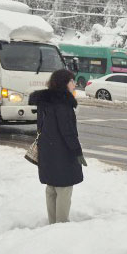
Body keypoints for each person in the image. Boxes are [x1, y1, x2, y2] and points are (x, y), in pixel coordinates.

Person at [30, 68, 84, 224]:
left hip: (47, 149)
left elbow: (40, 126)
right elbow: (68, 132)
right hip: (63, 152)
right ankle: (61, 226)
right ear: (64, 83)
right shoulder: (63, 103)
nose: (74, 84)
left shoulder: (44, 100)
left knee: (51, 188)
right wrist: (77, 152)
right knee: (64, 189)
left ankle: (52, 224)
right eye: (72, 81)